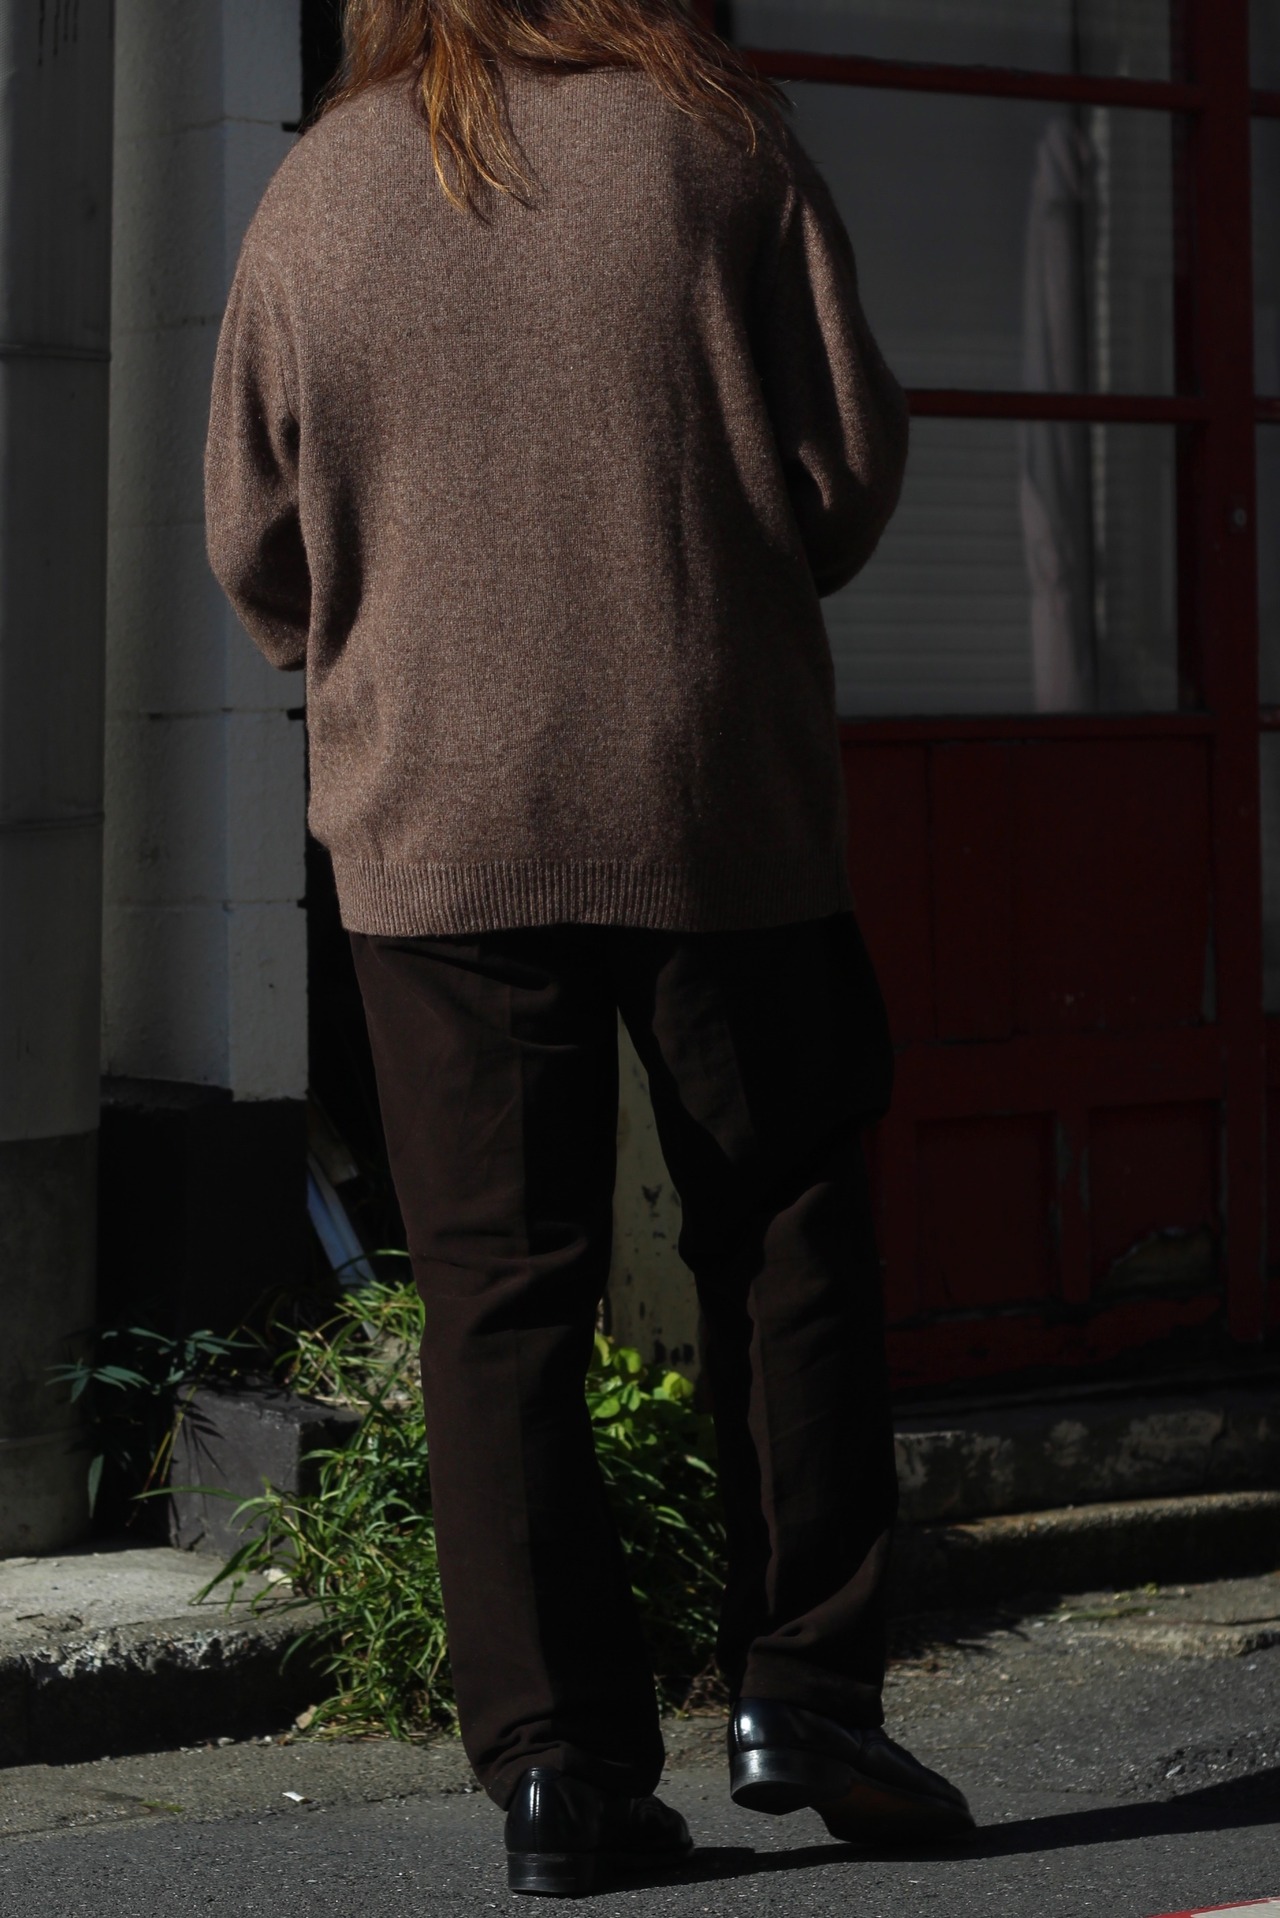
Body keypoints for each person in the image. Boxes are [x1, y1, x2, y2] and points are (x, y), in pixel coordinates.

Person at [205, 0, 973, 1897]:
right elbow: (842, 469)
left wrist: (402, 637)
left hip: (431, 817)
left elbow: (256, 544)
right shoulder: (719, 144)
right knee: (784, 1234)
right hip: (711, 789)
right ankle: (807, 1692)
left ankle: (558, 1769)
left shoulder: (317, 188)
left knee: (499, 1293)